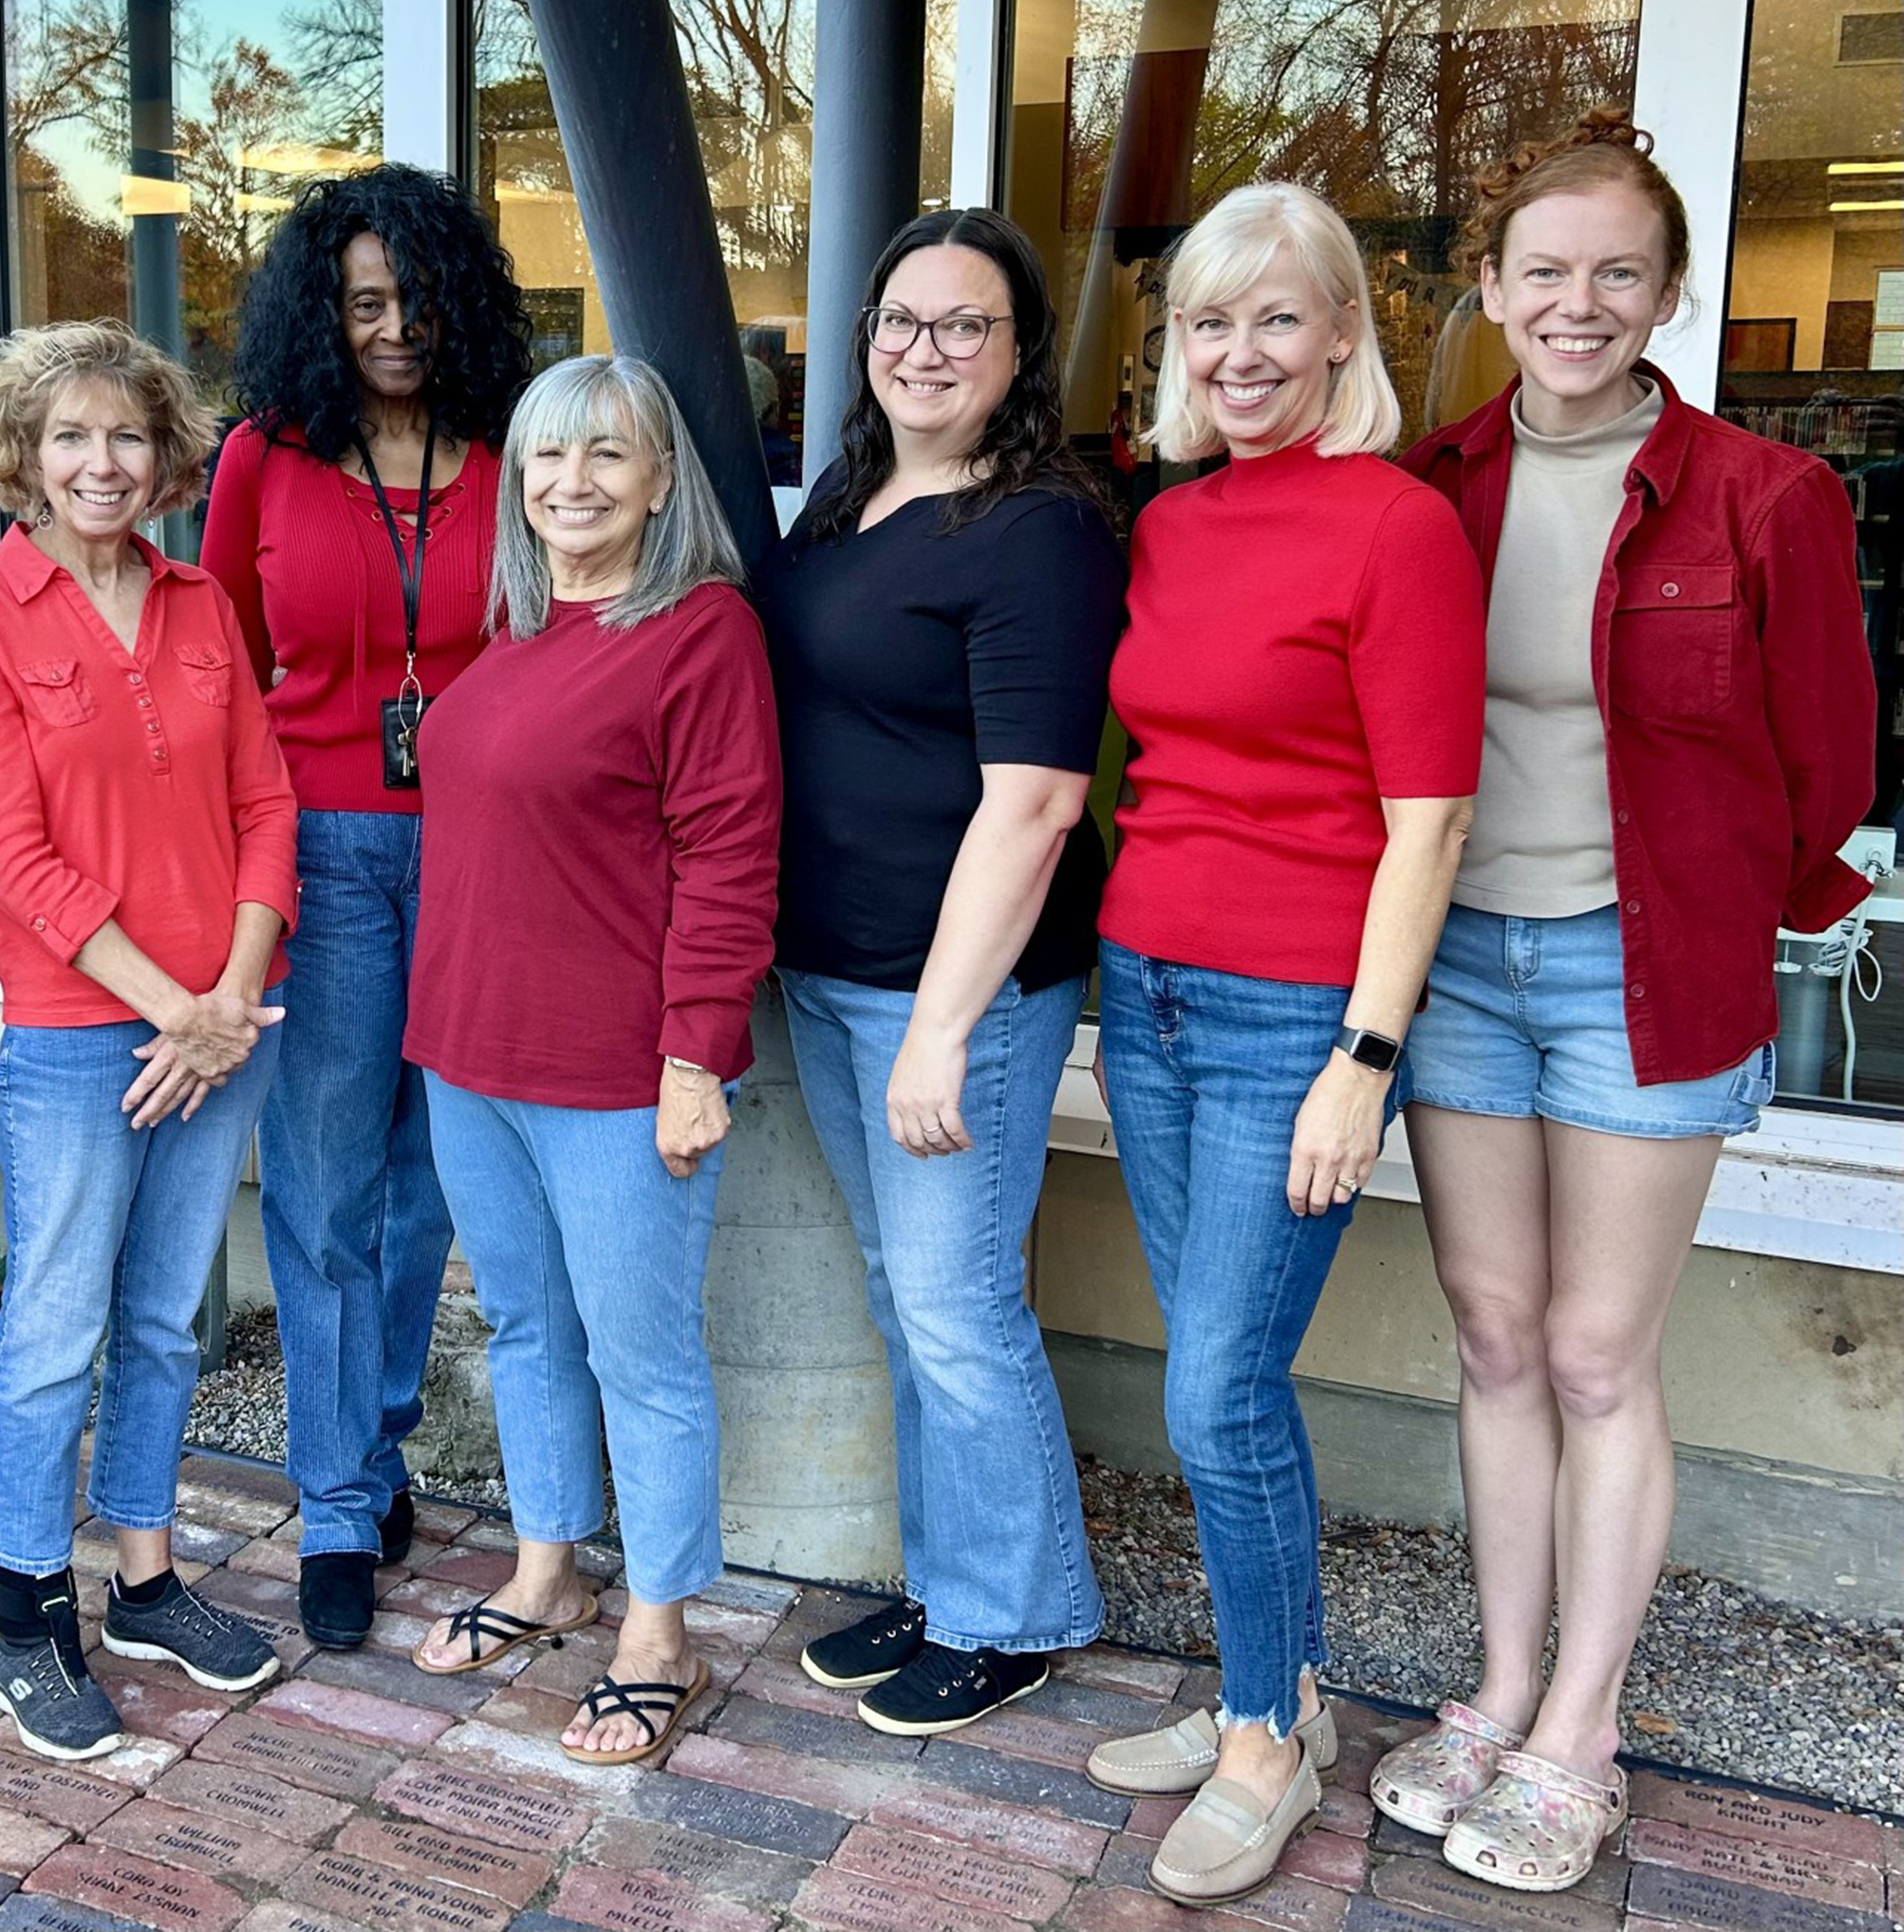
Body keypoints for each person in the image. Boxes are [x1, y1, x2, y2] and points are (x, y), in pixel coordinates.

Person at [1373, 114, 1876, 1894]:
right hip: (1461, 972)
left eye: (1617, 273)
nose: (1578, 303)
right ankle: (1503, 1690)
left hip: (1638, 974)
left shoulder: (1765, 496)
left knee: (1597, 1353)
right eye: (1545, 271)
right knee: (1495, 1337)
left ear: (1667, 293)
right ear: (1493, 292)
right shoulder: (1432, 485)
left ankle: (1584, 1730)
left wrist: (1749, 921)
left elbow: (1829, 763)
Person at [1075, 183, 1485, 1907]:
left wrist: (1363, 1058)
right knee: (1217, 1371)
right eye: (1207, 326)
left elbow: (1433, 822)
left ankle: (1261, 1737)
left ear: (1341, 335)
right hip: (1150, 988)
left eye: (1276, 320)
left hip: (1290, 1020)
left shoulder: (1395, 528)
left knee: (1217, 1387)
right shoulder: (1170, 523)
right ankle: (1289, 1694)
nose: (1239, 355)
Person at [753, 209, 1124, 1737]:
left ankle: (1015, 1612)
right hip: (835, 970)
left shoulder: (1036, 529)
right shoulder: (848, 500)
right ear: (866, 338)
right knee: (912, 1298)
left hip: (948, 987)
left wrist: (943, 1034)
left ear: (1019, 353)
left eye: (968, 325)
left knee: (961, 1305)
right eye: (904, 320)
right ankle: (951, 1579)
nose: (928, 349)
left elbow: (1036, 801)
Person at [0, 320, 301, 1762]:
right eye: (71, 435)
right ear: (25, 455)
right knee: (54, 1332)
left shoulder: (200, 600)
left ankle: (145, 1582)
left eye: (128, 435)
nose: (101, 460)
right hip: (95, 1039)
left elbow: (267, 805)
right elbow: (13, 856)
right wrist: (176, 1010)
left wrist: (234, 994)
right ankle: (30, 1618)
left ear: (165, 456)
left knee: (161, 1321)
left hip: (229, 1023)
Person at [402, 355, 779, 1767]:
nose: (574, 484)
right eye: (551, 458)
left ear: (662, 480)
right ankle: (548, 1567)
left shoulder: (698, 633)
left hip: (622, 1071)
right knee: (523, 1329)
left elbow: (731, 858)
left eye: (609, 458)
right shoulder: (508, 631)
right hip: (469, 1052)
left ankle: (661, 1630)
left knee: (644, 1355)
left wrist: (699, 1056)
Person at [202, 165, 533, 1649]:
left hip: (482, 846)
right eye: (361, 303)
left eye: (413, 297)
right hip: (327, 852)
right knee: (328, 1183)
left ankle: (376, 1430)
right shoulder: (265, 458)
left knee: (432, 1180)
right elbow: (225, 666)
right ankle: (336, 1497)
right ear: (320, 317)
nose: (392, 328)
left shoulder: (521, 453)